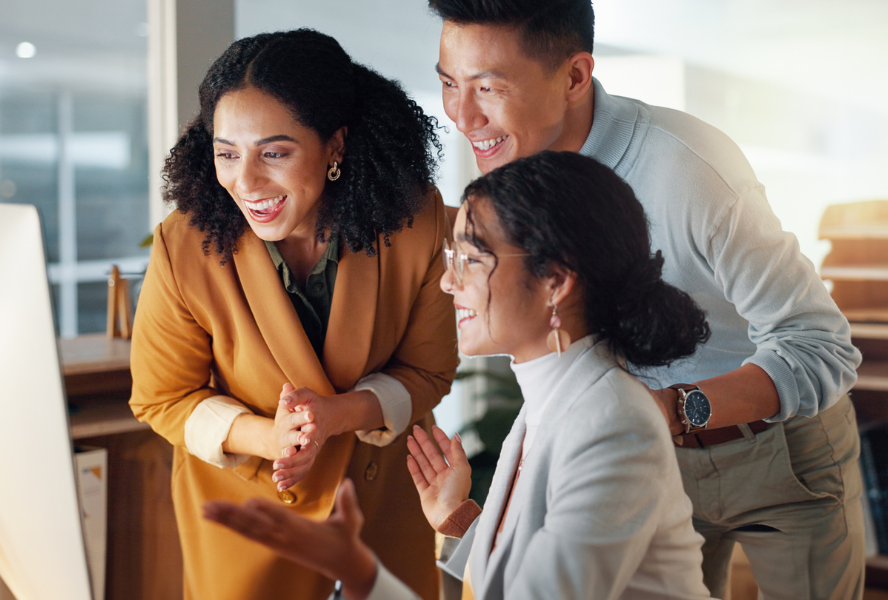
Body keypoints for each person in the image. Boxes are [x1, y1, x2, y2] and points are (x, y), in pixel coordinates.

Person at [428, 0, 864, 599]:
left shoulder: (689, 172)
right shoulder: (514, 177)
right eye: (448, 83)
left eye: (488, 87)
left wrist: (678, 406)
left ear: (575, 76)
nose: (461, 117)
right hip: (645, 450)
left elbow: (821, 345)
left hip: (775, 449)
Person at [206, 150, 717, 600]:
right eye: (454, 257)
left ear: (555, 281)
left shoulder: (611, 424)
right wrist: (462, 520)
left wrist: (359, 572)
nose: (450, 282)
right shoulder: (558, 400)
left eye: (472, 259)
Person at [129, 29, 456, 600]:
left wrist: (337, 415)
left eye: (274, 153)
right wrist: (272, 437)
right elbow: (161, 397)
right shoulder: (184, 246)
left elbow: (427, 372)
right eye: (227, 153)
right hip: (248, 512)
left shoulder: (416, 220)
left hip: (378, 500)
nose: (246, 182)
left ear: (335, 147)